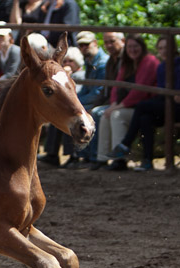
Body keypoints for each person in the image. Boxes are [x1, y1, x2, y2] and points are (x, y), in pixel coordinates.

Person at [108, 36, 180, 172]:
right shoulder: (162, 67)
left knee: (142, 106)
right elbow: (162, 93)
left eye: (166, 48)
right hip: (166, 104)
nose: (163, 51)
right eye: (160, 48)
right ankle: (147, 160)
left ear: (174, 48)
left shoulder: (177, 64)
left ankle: (125, 144)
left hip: (176, 107)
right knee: (144, 118)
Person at [95, 34, 160, 171]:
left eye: (135, 46)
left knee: (116, 115)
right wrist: (113, 104)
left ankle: (119, 159)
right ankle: (102, 158)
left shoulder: (149, 61)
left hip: (142, 106)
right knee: (104, 114)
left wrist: (117, 107)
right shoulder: (127, 64)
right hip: (128, 106)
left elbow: (140, 92)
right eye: (130, 47)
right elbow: (116, 87)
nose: (132, 50)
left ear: (142, 47)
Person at [44, 31, 108, 168]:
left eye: (86, 44)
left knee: (73, 113)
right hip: (93, 100)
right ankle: (58, 154)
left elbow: (99, 92)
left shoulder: (102, 63)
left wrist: (78, 104)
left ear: (95, 44)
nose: (84, 48)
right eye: (81, 45)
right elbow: (87, 90)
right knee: (66, 112)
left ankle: (80, 156)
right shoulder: (91, 62)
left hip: (101, 101)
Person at [38, 45, 84, 165]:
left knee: (70, 118)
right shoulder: (65, 76)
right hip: (74, 104)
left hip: (81, 104)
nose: (68, 63)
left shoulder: (80, 75)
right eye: (66, 61)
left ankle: (73, 156)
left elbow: (74, 95)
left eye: (71, 61)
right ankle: (52, 153)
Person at [87, 31, 125, 170]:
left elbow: (122, 87)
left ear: (122, 41)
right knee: (94, 112)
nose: (109, 45)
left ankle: (109, 158)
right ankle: (98, 157)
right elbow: (107, 88)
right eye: (106, 42)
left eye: (112, 41)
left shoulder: (125, 60)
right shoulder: (111, 60)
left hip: (123, 102)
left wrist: (116, 104)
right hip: (114, 101)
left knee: (100, 113)